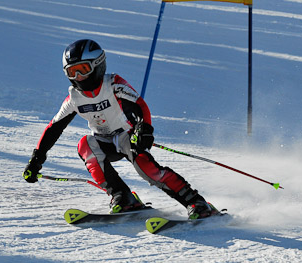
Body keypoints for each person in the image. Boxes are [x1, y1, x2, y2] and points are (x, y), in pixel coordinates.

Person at [23, 39, 216, 219]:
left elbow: (140, 105)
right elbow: (53, 128)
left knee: (147, 169)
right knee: (85, 145)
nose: (78, 77)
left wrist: (144, 128)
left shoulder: (113, 84)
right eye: (72, 72)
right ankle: (123, 197)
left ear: (98, 65)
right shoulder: (74, 98)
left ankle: (196, 202)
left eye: (83, 69)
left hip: (127, 137)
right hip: (103, 141)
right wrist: (37, 158)